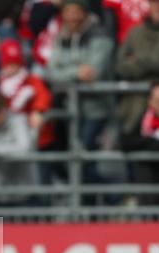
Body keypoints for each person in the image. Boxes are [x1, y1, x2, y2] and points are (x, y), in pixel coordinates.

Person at [45, 0, 113, 198]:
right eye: (68, 11)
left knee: (82, 159)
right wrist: (76, 72)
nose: (72, 16)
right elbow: (51, 72)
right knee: (72, 160)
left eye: (76, 11)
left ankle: (113, 197)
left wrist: (65, 73)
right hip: (70, 108)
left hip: (95, 108)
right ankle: (96, 203)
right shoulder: (62, 36)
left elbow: (94, 72)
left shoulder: (100, 36)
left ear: (85, 13)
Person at [115, 0, 159, 136]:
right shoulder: (135, 31)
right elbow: (120, 65)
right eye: (154, 2)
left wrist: (135, 59)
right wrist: (149, 61)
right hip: (131, 105)